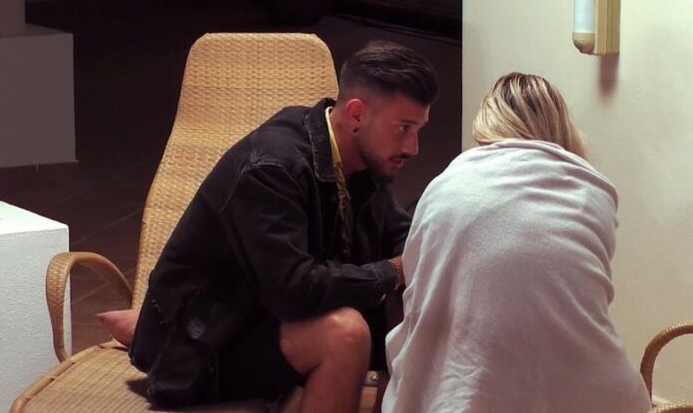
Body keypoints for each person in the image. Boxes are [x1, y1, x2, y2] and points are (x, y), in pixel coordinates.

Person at [128, 40, 439, 412]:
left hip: (259, 322)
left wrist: (417, 264)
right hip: (201, 352)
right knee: (345, 334)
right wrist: (394, 270)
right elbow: (295, 289)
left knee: (407, 299)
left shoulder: (362, 160)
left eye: (418, 130)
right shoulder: (271, 169)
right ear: (356, 114)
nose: (413, 147)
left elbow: (398, 235)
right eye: (403, 128)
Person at [382, 73, 651, 412]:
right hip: (594, 397)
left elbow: (417, 289)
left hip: (462, 397)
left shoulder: (444, 186)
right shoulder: (593, 192)